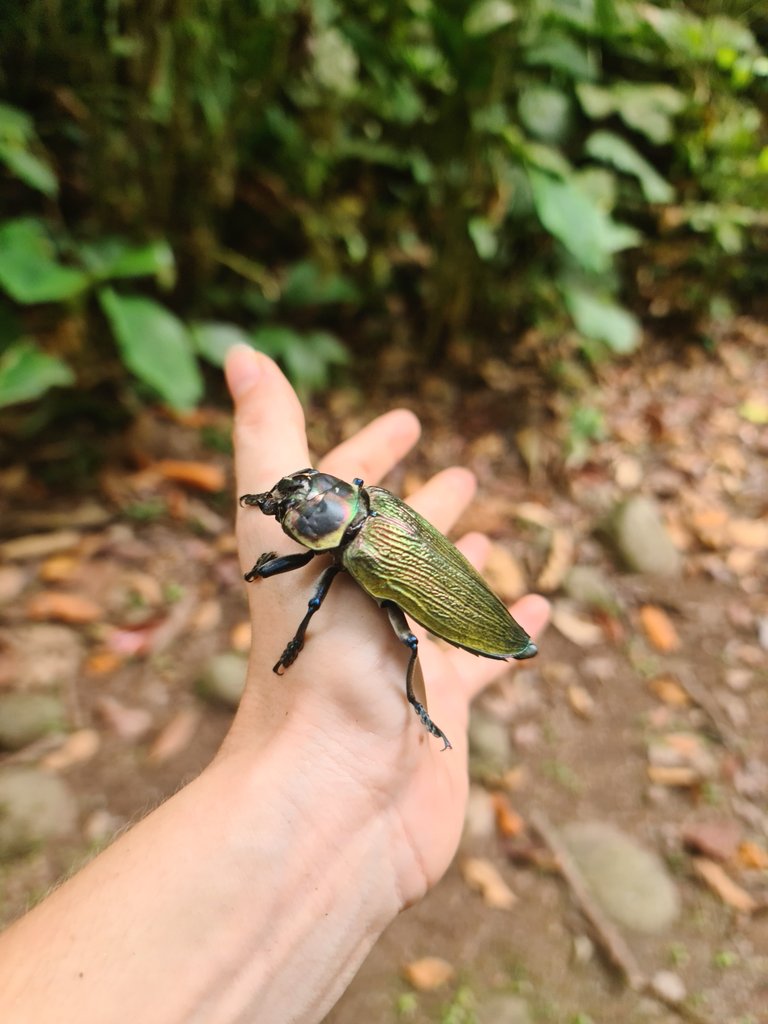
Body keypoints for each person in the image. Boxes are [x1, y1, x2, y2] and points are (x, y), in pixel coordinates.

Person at [0, 344, 549, 1023]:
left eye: (290, 512)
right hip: (396, 537)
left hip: (434, 583)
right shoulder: (368, 500)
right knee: (384, 625)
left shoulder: (356, 546)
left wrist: (275, 601)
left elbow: (316, 593)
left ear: (323, 520)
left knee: (400, 636)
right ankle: (421, 699)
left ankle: (417, 705)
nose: (285, 507)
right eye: (285, 508)